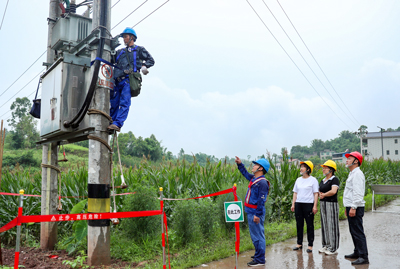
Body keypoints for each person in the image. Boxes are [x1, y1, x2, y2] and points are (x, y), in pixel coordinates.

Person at [108, 27, 155, 132]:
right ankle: (111, 121)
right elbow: (109, 59)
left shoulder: (139, 50)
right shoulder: (120, 52)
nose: (124, 39)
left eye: (126, 36)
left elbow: (151, 60)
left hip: (128, 81)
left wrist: (144, 65)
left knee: (124, 102)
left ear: (132, 38)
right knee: (114, 102)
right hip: (117, 81)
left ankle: (118, 123)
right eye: (124, 37)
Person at [235, 156, 270, 267]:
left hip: (255, 212)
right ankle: (259, 254)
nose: (253, 166)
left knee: (258, 235)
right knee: (255, 235)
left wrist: (257, 215)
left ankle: (260, 259)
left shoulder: (262, 182)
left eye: (255, 165)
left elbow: (261, 200)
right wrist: (240, 164)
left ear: (260, 168)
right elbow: (245, 173)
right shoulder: (254, 179)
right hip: (251, 211)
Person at [343, 151, 369, 265]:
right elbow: (350, 192)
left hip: (356, 207)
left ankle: (363, 256)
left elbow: (358, 193)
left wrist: (353, 207)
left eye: (350, 158)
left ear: (356, 161)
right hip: (351, 206)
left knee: (358, 232)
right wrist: (347, 207)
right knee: (353, 231)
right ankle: (357, 252)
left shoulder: (358, 174)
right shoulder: (352, 173)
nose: (347, 160)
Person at [291, 161, 319, 253]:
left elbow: (316, 194)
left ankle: (310, 245)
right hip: (299, 204)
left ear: (308, 169)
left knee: (309, 225)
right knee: (299, 224)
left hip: (308, 204)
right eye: (301, 166)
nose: (301, 168)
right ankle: (299, 244)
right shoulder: (298, 180)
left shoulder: (313, 180)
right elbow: (295, 193)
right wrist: (293, 204)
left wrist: (315, 206)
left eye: (303, 167)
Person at [318, 160, 340, 255]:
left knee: (332, 225)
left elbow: (333, 191)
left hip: (331, 204)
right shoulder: (323, 180)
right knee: (324, 224)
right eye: (323, 168)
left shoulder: (334, 179)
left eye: (325, 168)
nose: (323, 169)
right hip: (323, 204)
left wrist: (324, 195)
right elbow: (319, 190)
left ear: (331, 170)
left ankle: (333, 248)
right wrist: (320, 195)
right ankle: (326, 245)